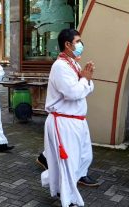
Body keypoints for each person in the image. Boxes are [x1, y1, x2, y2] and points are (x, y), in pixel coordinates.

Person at [40, 29, 98, 207]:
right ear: (68, 44)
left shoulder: (72, 64)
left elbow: (88, 87)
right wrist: (85, 81)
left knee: (84, 157)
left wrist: (85, 80)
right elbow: (73, 92)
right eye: (78, 41)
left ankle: (60, 185)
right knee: (68, 163)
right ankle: (69, 199)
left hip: (76, 120)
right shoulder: (60, 66)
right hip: (64, 121)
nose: (81, 45)